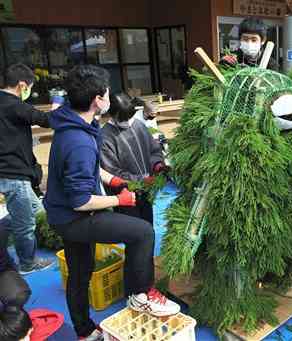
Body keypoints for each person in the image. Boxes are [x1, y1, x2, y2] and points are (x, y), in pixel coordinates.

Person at [43, 65, 179, 340]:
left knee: (81, 272)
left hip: (61, 213)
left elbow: (91, 169)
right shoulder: (79, 140)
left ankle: (84, 331)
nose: (107, 96)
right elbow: (80, 201)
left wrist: (112, 179)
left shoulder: (75, 124)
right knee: (142, 232)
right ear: (98, 100)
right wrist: (119, 197)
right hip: (75, 218)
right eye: (105, 92)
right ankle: (141, 294)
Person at [0, 63, 63, 275]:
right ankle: (27, 263)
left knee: (36, 212)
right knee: (25, 224)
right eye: (29, 87)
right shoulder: (13, 104)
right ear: (21, 85)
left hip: (9, 170)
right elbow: (46, 119)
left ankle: (8, 230)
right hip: (14, 173)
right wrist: (57, 105)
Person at [101, 92, 168, 224]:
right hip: (125, 195)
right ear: (112, 115)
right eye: (122, 119)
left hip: (146, 191)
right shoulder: (105, 137)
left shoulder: (138, 125)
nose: (127, 123)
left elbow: (153, 150)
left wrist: (157, 164)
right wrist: (141, 179)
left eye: (129, 117)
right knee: (135, 231)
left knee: (148, 226)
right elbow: (112, 172)